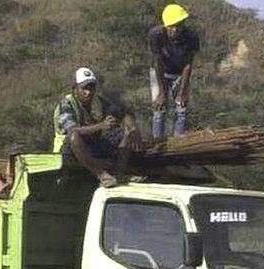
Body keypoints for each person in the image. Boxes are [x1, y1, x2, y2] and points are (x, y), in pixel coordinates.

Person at [54, 67, 141, 187]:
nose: (88, 92)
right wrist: (101, 126)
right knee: (74, 136)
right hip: (70, 151)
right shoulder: (66, 104)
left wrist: (133, 129)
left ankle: (118, 173)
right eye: (84, 88)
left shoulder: (99, 102)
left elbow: (123, 113)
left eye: (91, 88)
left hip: (93, 145)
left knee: (125, 132)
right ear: (75, 88)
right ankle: (101, 174)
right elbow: (73, 130)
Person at [148, 4, 199, 140]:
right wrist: (162, 93)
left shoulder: (191, 37)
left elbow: (188, 64)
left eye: (179, 25)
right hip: (160, 72)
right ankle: (157, 143)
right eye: (171, 26)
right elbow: (157, 62)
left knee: (181, 109)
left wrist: (182, 93)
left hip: (180, 73)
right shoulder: (156, 35)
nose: (175, 30)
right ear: (165, 25)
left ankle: (179, 142)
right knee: (159, 108)